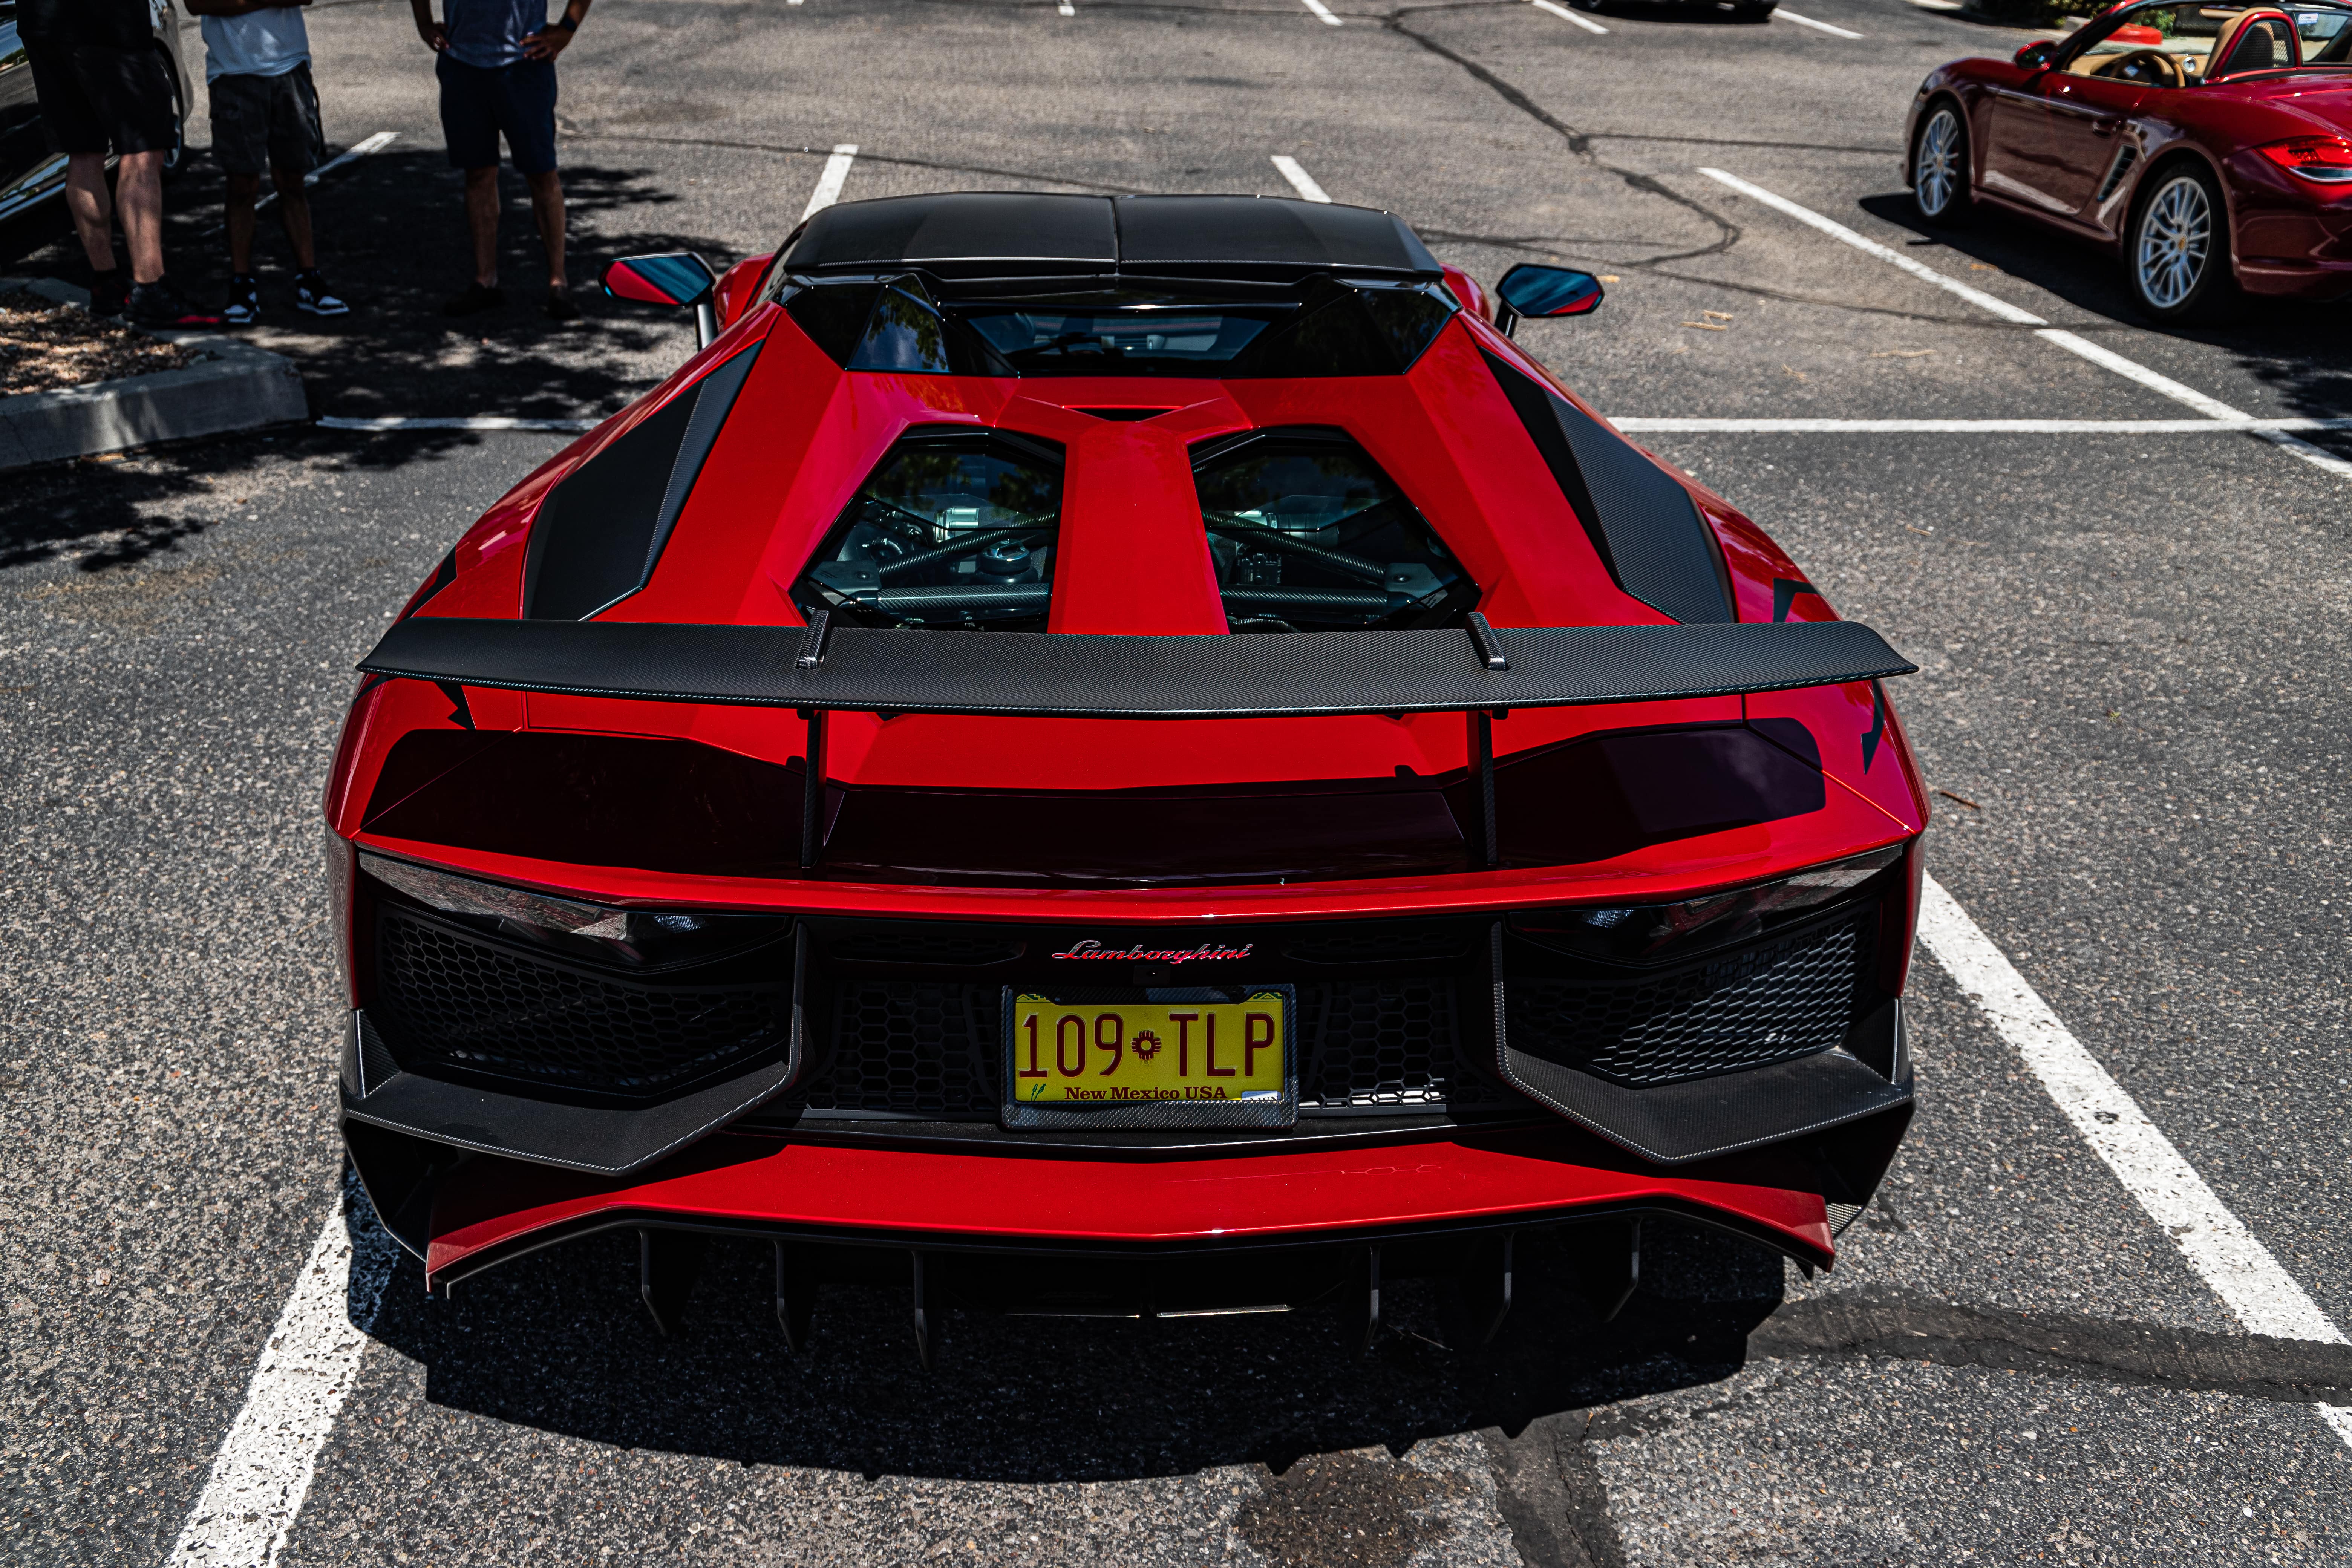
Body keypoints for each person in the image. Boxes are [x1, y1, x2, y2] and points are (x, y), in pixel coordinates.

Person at [15, 0, 218, 326]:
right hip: (106, 21)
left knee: (83, 152)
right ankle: (150, 289)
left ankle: (107, 284)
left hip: (42, 20)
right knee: (142, 150)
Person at [410, 0, 593, 322]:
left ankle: (558, 282)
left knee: (541, 174)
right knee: (478, 174)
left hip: (524, 65)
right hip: (462, 64)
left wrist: (567, 29)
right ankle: (485, 281)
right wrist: (423, 22)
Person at [184, 0, 350, 324]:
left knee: (292, 181)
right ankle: (241, 284)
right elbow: (198, 4)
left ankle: (309, 278)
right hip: (233, 72)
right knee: (242, 185)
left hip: (289, 65)